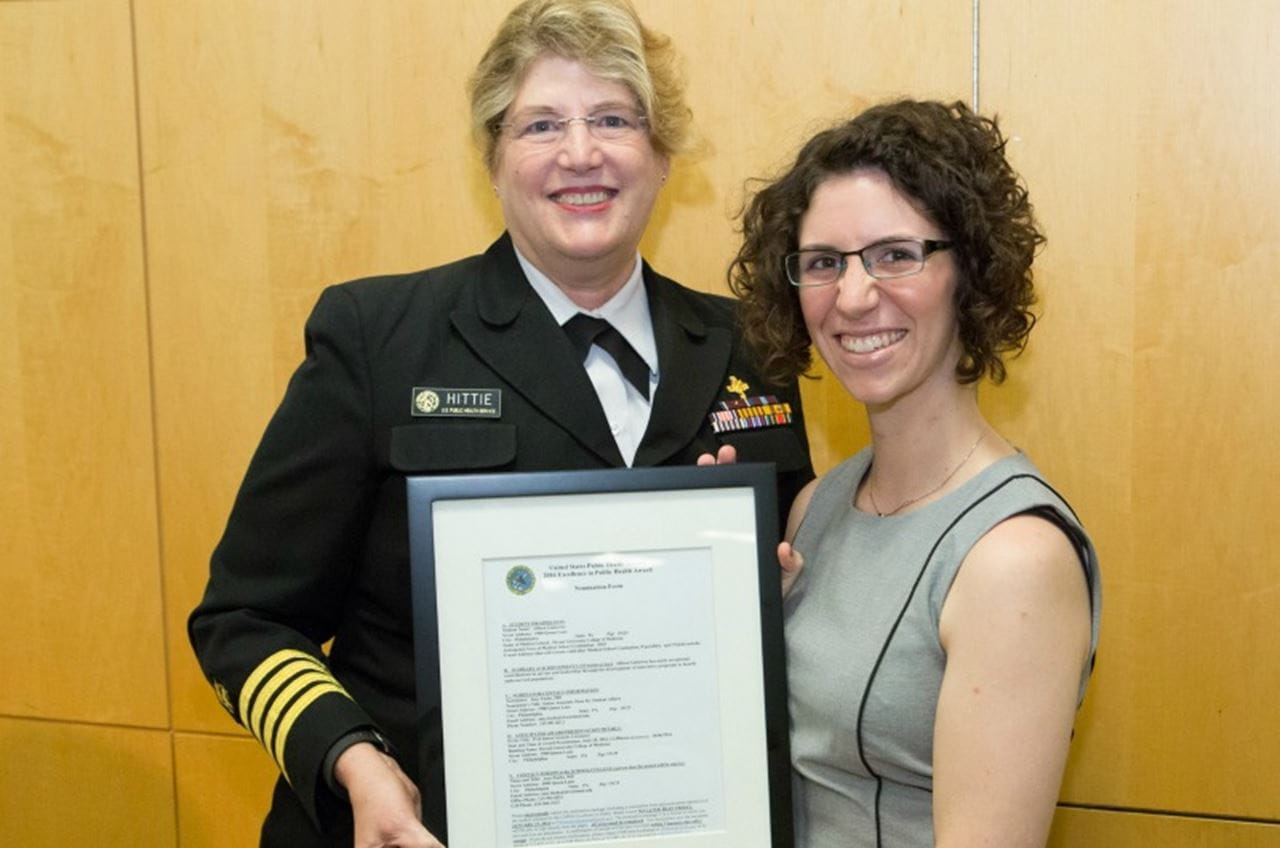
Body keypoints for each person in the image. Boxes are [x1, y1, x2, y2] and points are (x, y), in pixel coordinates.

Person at [188, 1, 813, 845]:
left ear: (662, 155)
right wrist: (353, 762)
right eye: (541, 124)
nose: (580, 153)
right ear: (492, 158)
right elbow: (243, 620)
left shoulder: (752, 345)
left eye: (613, 119)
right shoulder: (380, 338)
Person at [729, 99, 1101, 847]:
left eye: (896, 254)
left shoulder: (1014, 559)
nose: (855, 296)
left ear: (969, 271)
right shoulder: (818, 508)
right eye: (824, 263)